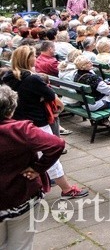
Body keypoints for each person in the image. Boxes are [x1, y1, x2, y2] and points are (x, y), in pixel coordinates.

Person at [1, 46, 88, 199]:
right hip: (37, 123)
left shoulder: (7, 77)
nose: (36, 58)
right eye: (34, 56)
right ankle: (67, 189)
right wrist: (54, 108)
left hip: (16, 122)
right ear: (28, 59)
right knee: (51, 154)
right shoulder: (33, 79)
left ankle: (42, 179)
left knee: (28, 156)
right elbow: (55, 100)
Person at [0, 85, 66, 250]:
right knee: (21, 245)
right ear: (11, 109)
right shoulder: (20, 130)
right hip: (21, 194)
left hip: (16, 196)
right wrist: (38, 168)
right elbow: (57, 144)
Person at [73, 55, 110, 133]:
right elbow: (108, 90)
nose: (91, 63)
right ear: (83, 66)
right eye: (88, 63)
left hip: (85, 104)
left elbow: (100, 87)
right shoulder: (92, 78)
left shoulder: (77, 75)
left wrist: (104, 84)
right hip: (95, 104)